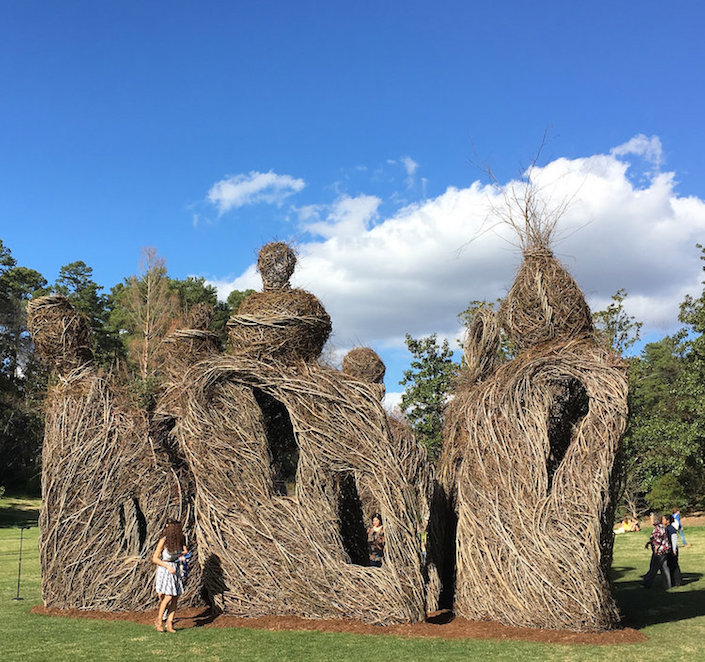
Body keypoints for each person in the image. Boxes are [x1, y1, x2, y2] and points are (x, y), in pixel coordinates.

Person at [152, 519, 188, 632]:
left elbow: (185, 551)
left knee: (175, 597)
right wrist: (167, 566)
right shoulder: (164, 541)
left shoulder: (180, 540)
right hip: (166, 569)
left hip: (175, 568)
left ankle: (170, 622)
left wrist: (182, 556)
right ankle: (159, 620)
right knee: (167, 597)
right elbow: (155, 558)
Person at [642, 512, 672, 589]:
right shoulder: (661, 527)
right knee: (664, 567)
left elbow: (657, 541)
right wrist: (648, 543)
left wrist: (655, 551)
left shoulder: (657, 529)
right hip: (665, 550)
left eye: (651, 518)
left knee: (653, 568)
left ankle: (647, 583)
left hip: (660, 552)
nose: (650, 520)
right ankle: (667, 584)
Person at [664, 514, 683, 587]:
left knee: (674, 565)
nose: (662, 521)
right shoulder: (667, 528)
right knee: (670, 565)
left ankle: (678, 582)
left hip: (672, 549)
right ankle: (673, 581)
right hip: (670, 549)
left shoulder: (671, 529)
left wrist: (674, 550)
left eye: (663, 519)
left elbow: (674, 538)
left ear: (668, 521)